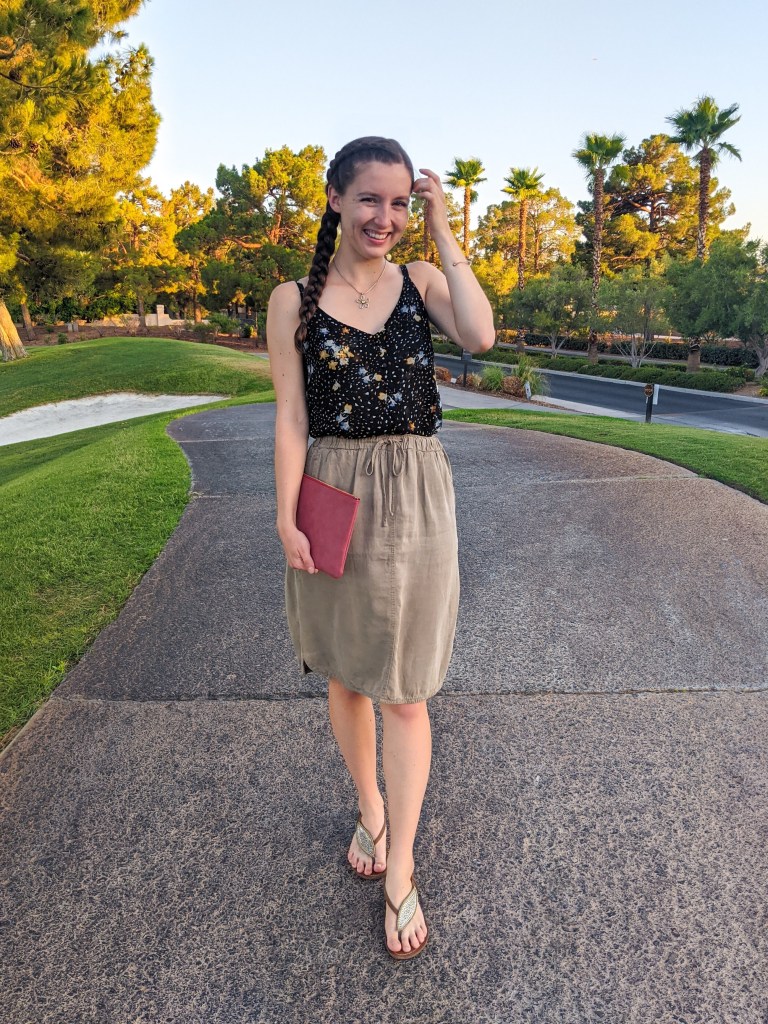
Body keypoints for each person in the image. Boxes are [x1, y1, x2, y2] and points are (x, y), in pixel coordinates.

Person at [267, 137, 494, 960]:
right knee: (347, 671)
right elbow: (292, 417)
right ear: (335, 198)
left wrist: (444, 228)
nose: (385, 217)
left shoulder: (423, 280)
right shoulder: (292, 299)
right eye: (370, 198)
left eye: (400, 203)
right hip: (333, 490)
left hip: (418, 490)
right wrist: (285, 516)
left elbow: (481, 336)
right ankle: (370, 807)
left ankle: (402, 866)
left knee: (406, 690)